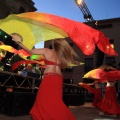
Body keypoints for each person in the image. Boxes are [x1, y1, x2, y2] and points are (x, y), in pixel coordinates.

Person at [11, 33, 78, 120]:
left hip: (50, 78)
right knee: (55, 101)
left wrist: (19, 42)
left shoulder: (47, 51)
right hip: (58, 79)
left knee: (42, 101)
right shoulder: (61, 56)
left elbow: (31, 52)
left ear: (54, 45)